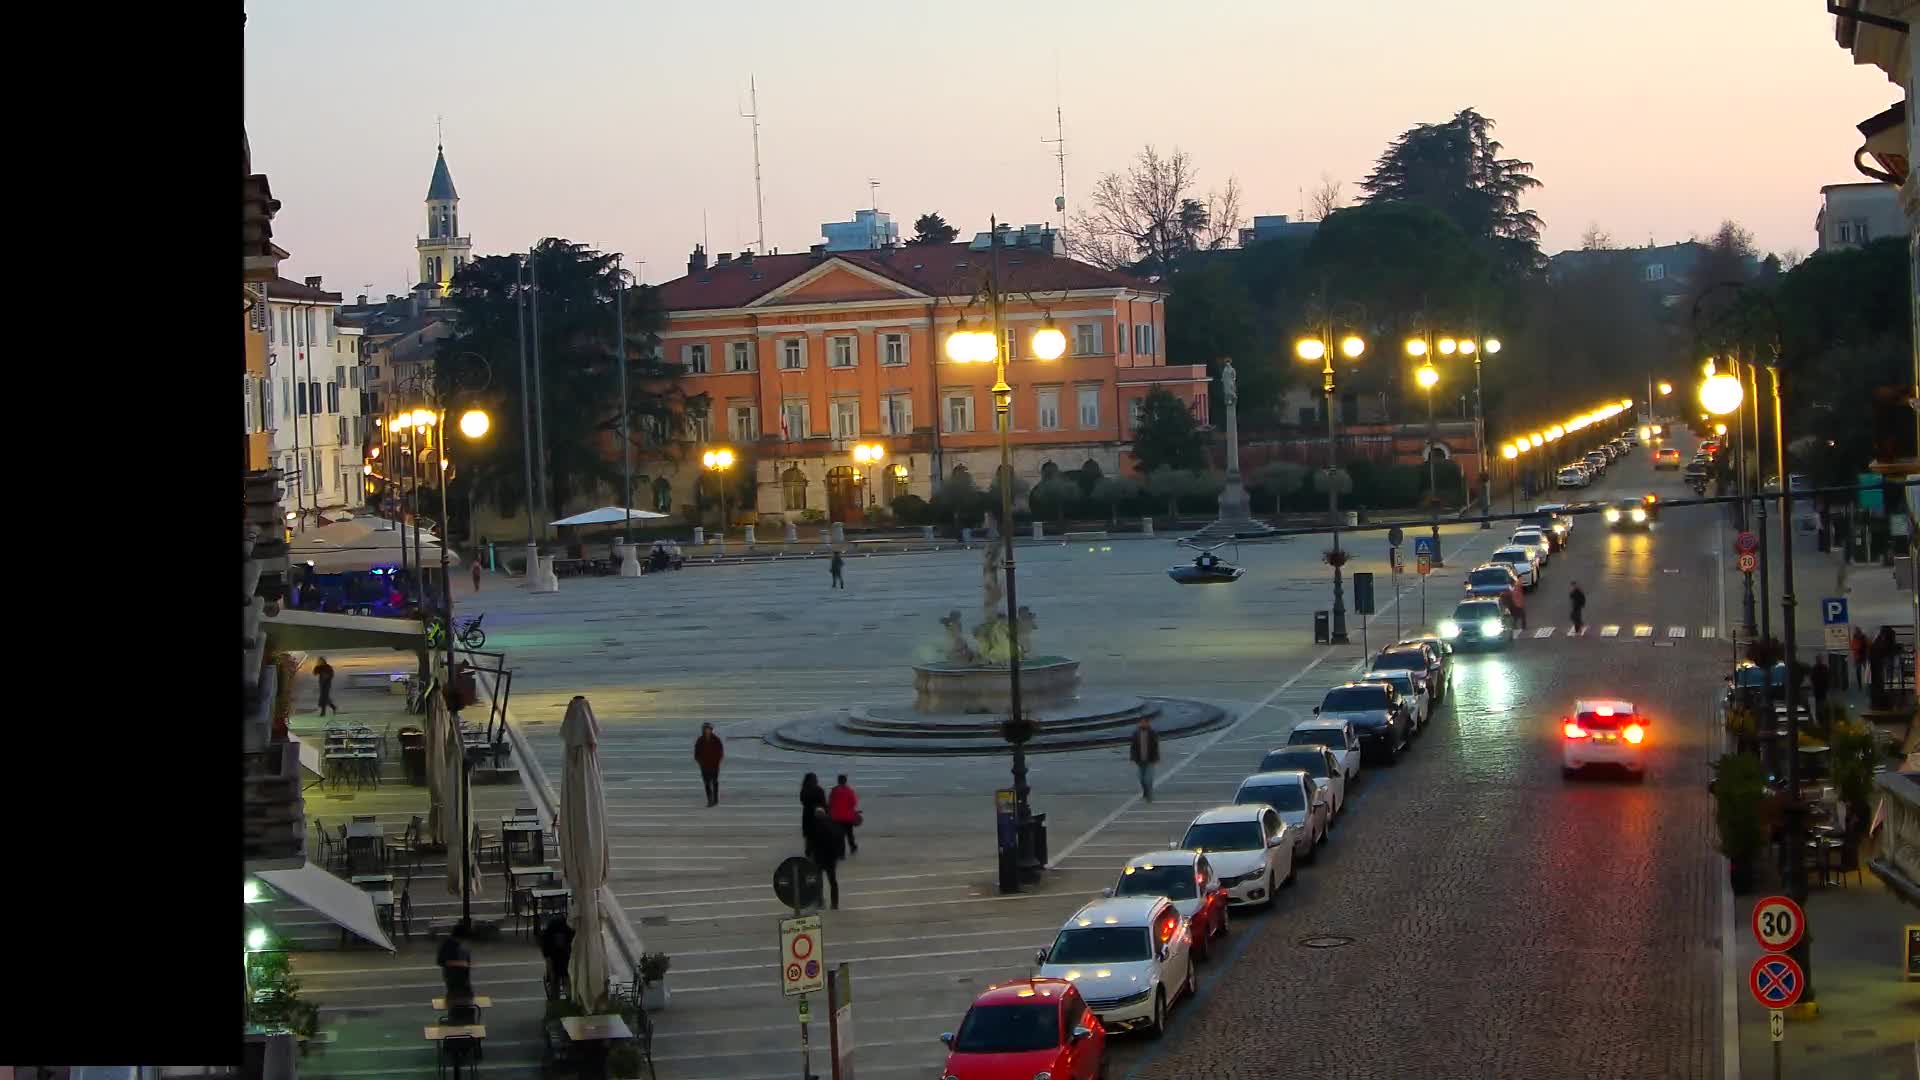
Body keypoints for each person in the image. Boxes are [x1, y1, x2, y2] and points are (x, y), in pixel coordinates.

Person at [805, 804, 845, 909]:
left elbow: (810, 842)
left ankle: (820, 902)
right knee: (832, 880)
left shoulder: (814, 825)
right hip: (831, 858)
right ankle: (834, 903)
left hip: (818, 857)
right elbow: (840, 838)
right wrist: (840, 854)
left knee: (818, 880)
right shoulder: (833, 823)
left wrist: (808, 853)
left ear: (816, 815)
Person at [538, 913, 575, 1001]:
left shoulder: (548, 936)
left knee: (558, 978)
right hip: (557, 956)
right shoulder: (567, 933)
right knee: (559, 978)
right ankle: (565, 998)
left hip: (562, 956)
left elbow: (547, 957)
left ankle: (558, 998)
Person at [436, 923, 474, 1000]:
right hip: (454, 977)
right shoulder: (448, 945)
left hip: (462, 976)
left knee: (465, 996)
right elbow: (441, 961)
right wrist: (460, 963)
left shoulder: (460, 944)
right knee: (457, 997)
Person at [1128, 716, 1160, 802]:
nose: (1142, 724)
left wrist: (1156, 757)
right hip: (1139, 760)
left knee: (1148, 778)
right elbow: (1133, 747)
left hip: (1150, 759)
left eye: (1144, 722)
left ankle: (1149, 795)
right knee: (1141, 778)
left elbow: (1155, 746)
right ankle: (1145, 791)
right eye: (1141, 722)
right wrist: (1132, 757)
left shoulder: (1152, 733)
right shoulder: (1136, 733)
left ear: (1147, 723)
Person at [827, 774, 861, 855]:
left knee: (839, 835)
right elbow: (853, 803)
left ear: (838, 781)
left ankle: (841, 852)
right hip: (848, 817)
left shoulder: (834, 791)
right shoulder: (849, 791)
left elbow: (830, 804)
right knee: (849, 834)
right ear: (845, 781)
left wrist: (829, 813)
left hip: (836, 817)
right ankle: (853, 847)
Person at [694, 722, 724, 807]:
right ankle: (710, 800)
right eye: (705, 729)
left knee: (714, 782)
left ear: (711, 730)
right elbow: (696, 753)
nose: (707, 731)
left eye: (708, 729)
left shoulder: (716, 740)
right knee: (707, 783)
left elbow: (720, 752)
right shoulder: (700, 740)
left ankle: (715, 799)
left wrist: (718, 761)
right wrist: (700, 762)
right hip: (704, 765)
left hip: (714, 765)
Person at [800, 773, 827, 837]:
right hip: (817, 815)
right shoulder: (819, 790)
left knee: (808, 838)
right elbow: (823, 804)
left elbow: (802, 800)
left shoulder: (804, 789)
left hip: (806, 815)